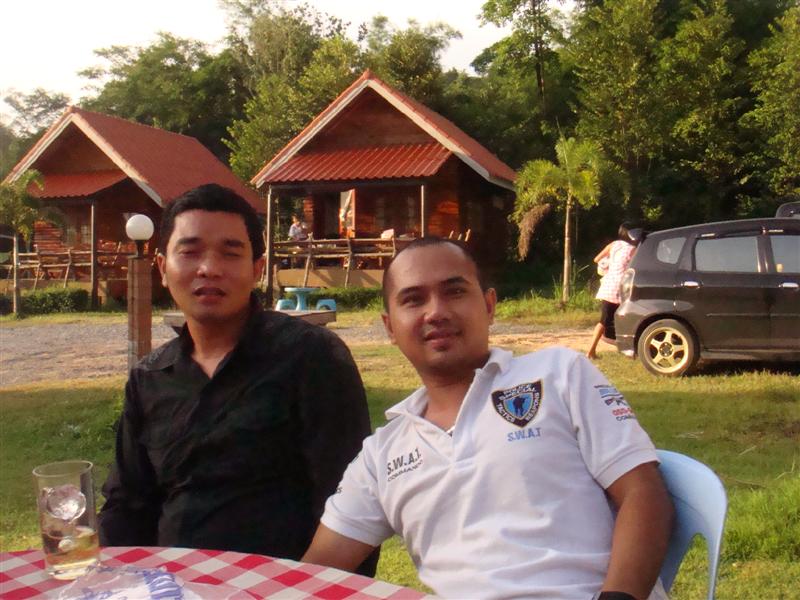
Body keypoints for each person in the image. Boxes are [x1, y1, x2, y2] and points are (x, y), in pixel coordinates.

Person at [302, 237, 673, 600]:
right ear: (390, 328)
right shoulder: (383, 454)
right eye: (413, 299)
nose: (436, 312)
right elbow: (315, 572)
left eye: (455, 292)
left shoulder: (560, 374)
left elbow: (643, 493)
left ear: (489, 305)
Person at [98, 184, 376, 573]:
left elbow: (353, 506)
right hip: (169, 587)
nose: (209, 268)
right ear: (162, 268)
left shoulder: (311, 357)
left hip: (278, 587)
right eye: (190, 252)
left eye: (230, 253)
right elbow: (127, 505)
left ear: (257, 270)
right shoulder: (151, 377)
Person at [587, 223, 641, 360]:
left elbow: (596, 259)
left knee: (605, 320)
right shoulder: (633, 249)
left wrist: (609, 264)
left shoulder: (614, 244)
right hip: (620, 288)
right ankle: (592, 351)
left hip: (608, 286)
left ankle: (593, 350)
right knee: (621, 318)